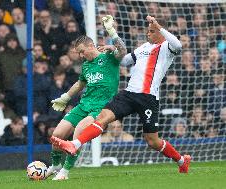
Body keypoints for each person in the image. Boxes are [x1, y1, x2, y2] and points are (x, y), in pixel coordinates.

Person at [51, 16, 192, 173]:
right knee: (102, 118)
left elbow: (178, 45)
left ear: (161, 32)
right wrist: (113, 49)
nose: (148, 34)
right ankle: (74, 144)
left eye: (152, 31)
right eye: (148, 31)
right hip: (129, 93)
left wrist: (159, 26)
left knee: (153, 141)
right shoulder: (144, 47)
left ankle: (181, 161)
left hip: (147, 98)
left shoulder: (167, 48)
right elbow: (124, 60)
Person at [47, 15, 127, 180]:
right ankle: (55, 166)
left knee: (78, 134)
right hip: (83, 105)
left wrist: (111, 31)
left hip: (101, 107)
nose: (81, 56)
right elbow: (80, 84)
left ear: (91, 45)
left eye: (82, 51)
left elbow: (123, 51)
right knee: (57, 135)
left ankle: (65, 172)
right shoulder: (86, 66)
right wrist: (65, 97)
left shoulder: (109, 57)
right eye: (79, 53)